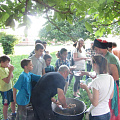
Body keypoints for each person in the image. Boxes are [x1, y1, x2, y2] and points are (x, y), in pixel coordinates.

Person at [80, 55, 114, 120]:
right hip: (107, 112)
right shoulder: (110, 78)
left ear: (95, 65)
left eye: (91, 63)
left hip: (97, 115)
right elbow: (111, 96)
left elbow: (95, 103)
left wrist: (87, 89)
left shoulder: (96, 81)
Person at [93, 39, 120, 119]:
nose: (96, 52)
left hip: (112, 86)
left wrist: (102, 79)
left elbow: (115, 77)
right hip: (107, 84)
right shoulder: (105, 56)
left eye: (96, 50)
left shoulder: (110, 58)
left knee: (110, 107)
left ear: (99, 48)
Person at [0, 55, 16, 120]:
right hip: (5, 90)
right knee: (6, 104)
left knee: (13, 101)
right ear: (2, 62)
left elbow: (11, 76)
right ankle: (5, 118)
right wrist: (11, 71)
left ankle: (13, 113)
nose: (8, 64)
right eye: (7, 62)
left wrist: (10, 70)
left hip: (10, 88)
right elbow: (7, 80)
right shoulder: (1, 70)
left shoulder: (6, 68)